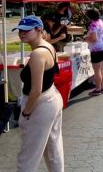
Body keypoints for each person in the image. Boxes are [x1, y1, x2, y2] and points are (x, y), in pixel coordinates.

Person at [16, 15, 64, 172]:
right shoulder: (47, 46)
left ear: (38, 30)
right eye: (20, 30)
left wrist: (26, 112)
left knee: (28, 155)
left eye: (26, 30)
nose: (22, 33)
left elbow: (35, 90)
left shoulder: (38, 53)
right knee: (53, 149)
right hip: (51, 98)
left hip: (40, 103)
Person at [84, 9, 103, 96]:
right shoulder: (101, 22)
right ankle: (102, 87)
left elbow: (94, 39)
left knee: (97, 70)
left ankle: (98, 89)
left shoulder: (93, 25)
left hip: (96, 49)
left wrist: (86, 38)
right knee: (101, 68)